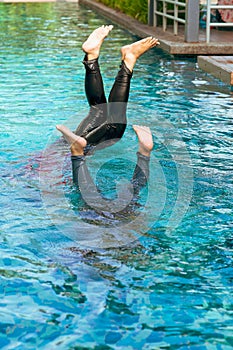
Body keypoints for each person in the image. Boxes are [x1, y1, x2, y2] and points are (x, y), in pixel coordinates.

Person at [56, 25, 159, 217]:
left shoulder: (119, 222)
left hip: (65, 155)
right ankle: (94, 56)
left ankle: (126, 60)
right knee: (101, 113)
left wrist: (144, 153)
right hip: (61, 153)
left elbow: (135, 189)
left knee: (113, 126)